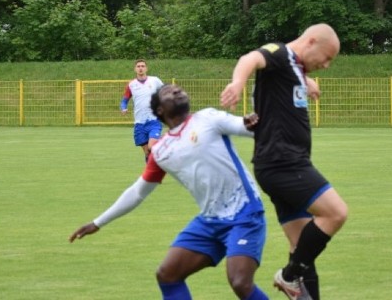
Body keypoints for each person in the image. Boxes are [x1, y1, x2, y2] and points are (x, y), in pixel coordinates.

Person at [71, 84, 270, 300]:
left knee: (240, 282)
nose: (177, 91)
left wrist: (253, 121)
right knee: (167, 275)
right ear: (159, 110)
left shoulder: (208, 118)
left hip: (244, 214)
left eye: (179, 89)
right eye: (168, 92)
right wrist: (98, 222)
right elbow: (138, 192)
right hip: (210, 221)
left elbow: (247, 126)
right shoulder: (160, 151)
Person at [220, 23, 347, 300]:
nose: (326, 65)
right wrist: (238, 82)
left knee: (303, 248)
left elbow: (292, 80)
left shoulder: (295, 70)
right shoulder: (280, 54)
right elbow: (250, 59)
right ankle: (288, 276)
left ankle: (299, 283)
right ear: (311, 41)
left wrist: (306, 81)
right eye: (327, 58)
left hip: (280, 164)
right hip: (284, 163)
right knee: (336, 213)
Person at [120, 59, 165, 161]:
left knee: (151, 147)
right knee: (147, 152)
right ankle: (150, 175)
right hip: (139, 123)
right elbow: (124, 100)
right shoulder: (131, 84)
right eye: (138, 66)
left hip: (154, 121)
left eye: (143, 66)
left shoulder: (155, 80)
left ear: (146, 68)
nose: (141, 68)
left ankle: (162, 140)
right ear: (135, 69)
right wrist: (123, 108)